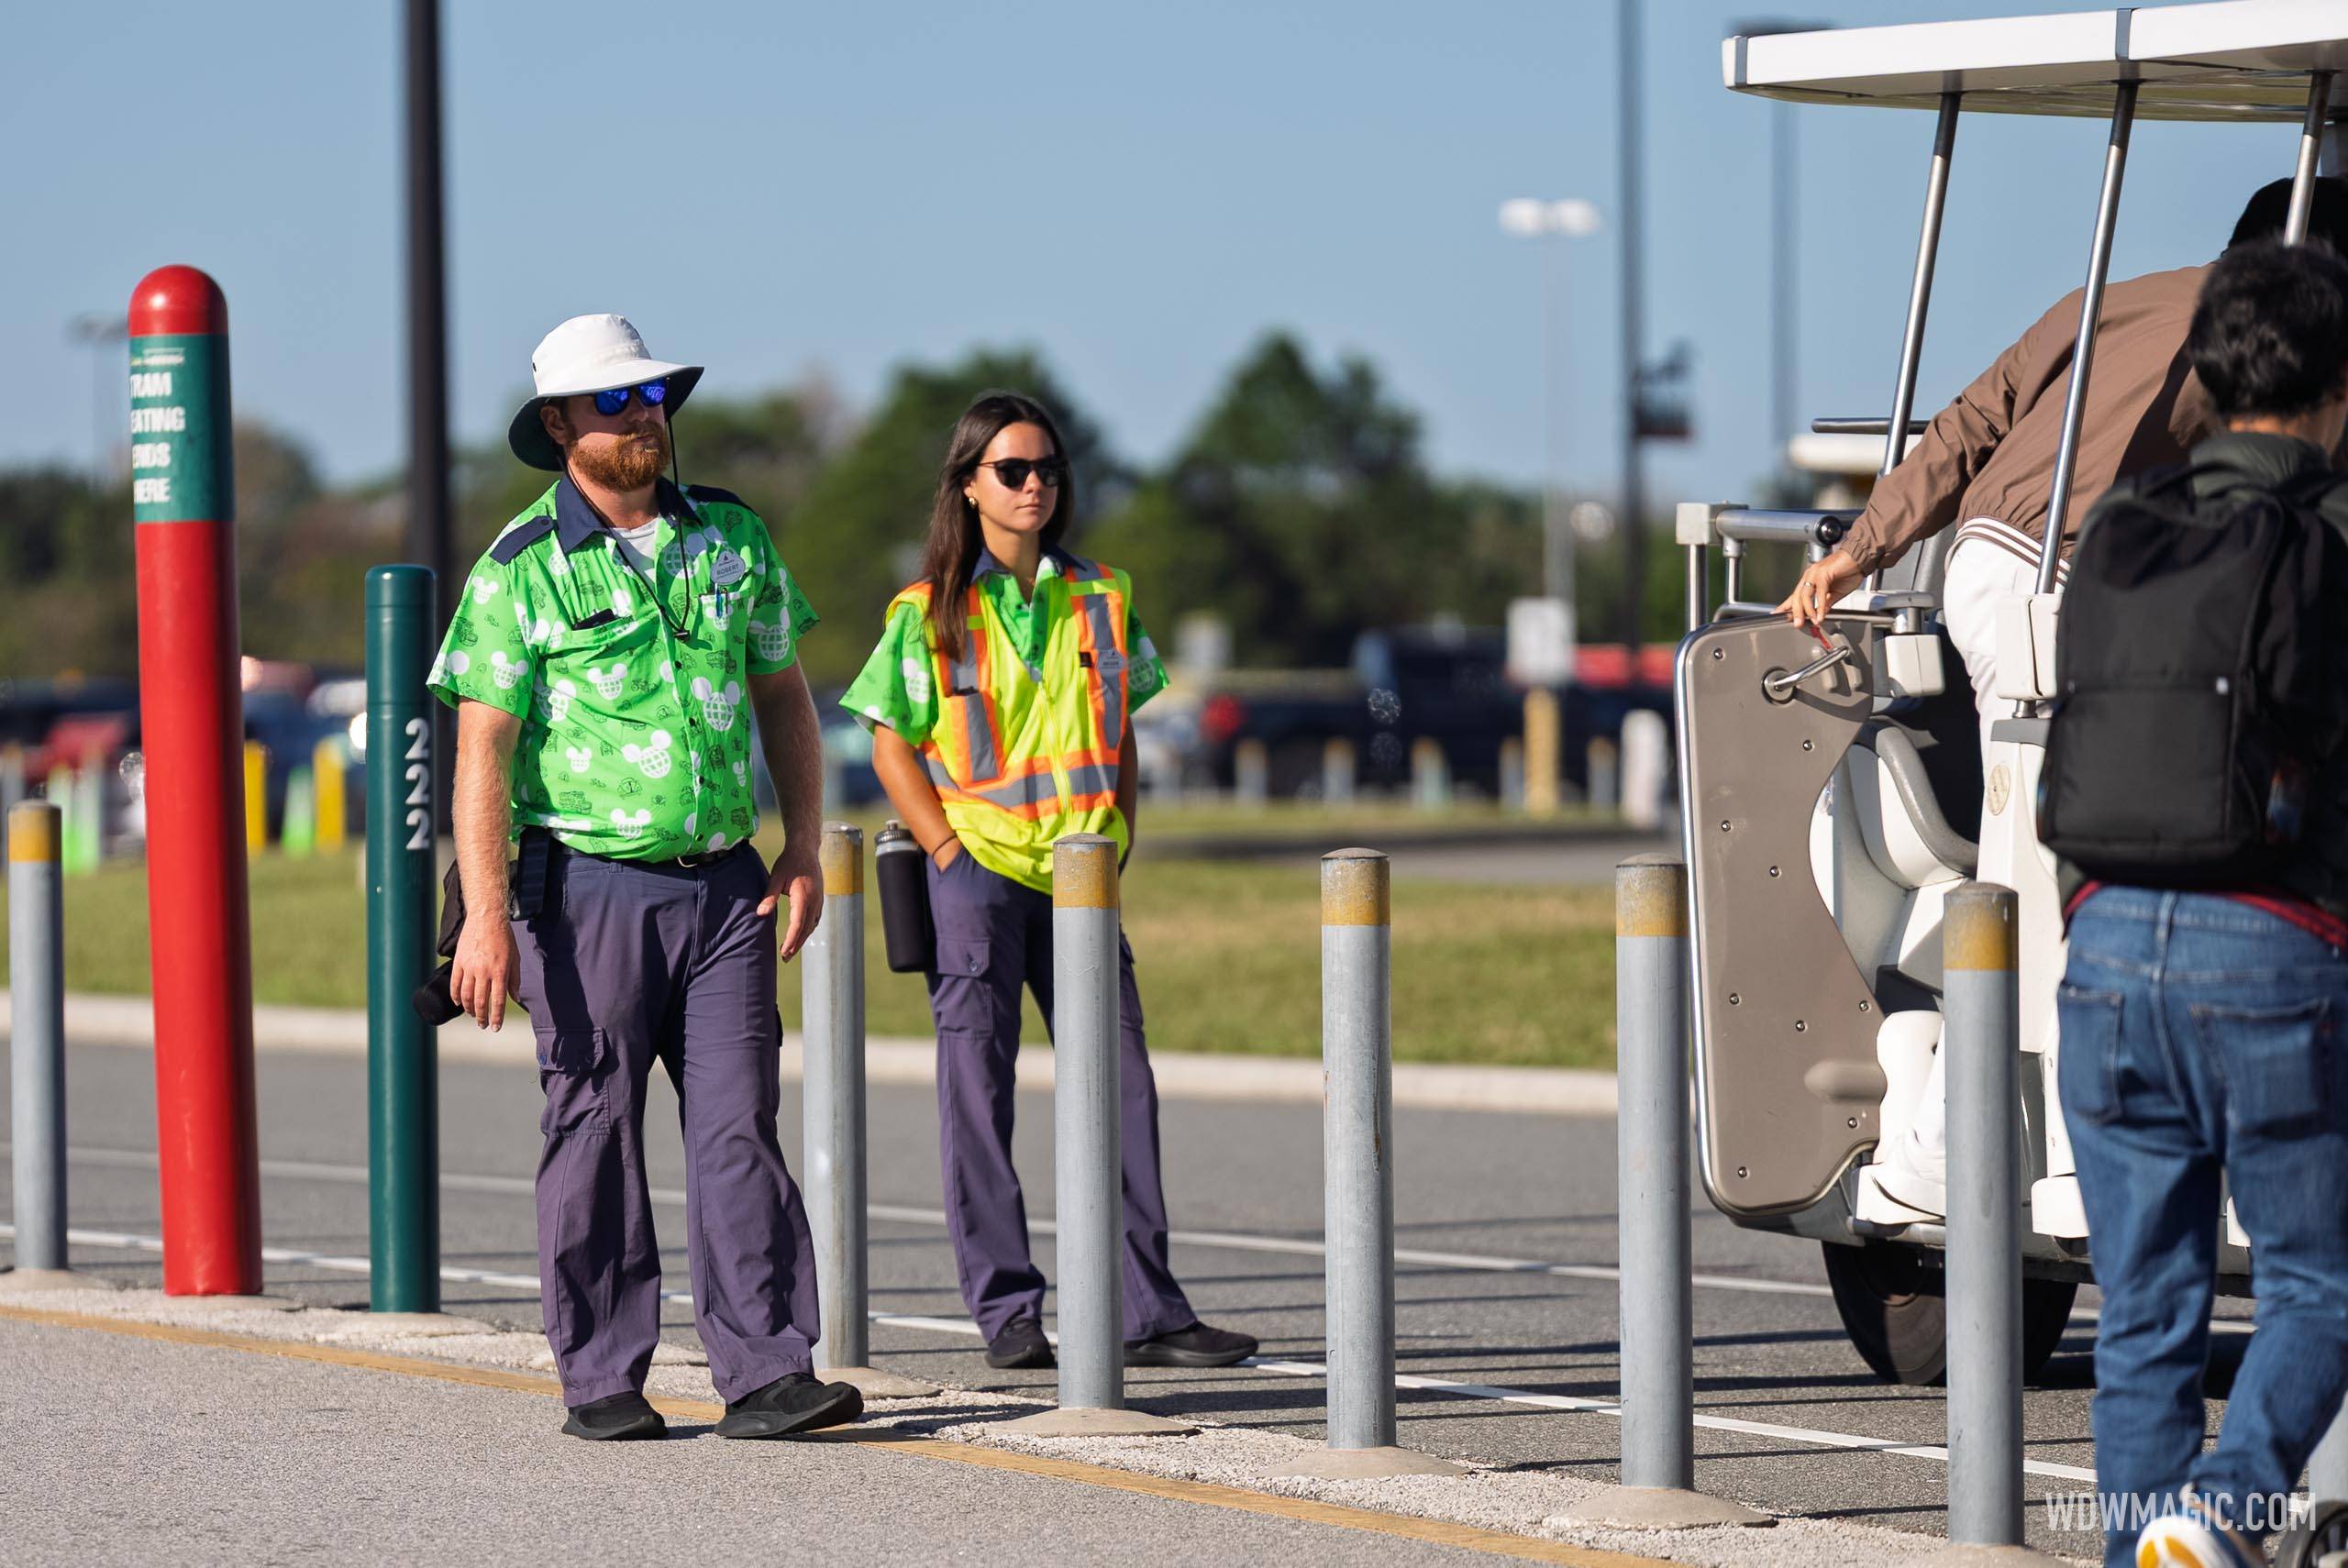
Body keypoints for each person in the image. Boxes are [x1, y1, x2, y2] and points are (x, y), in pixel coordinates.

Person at [1785, 177, 2348, 1223]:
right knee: (2064, 866)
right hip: (2064, 582)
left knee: (2041, 853)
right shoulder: (2274, 347)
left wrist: (1859, 550)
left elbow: (1965, 426)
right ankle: (1948, 1157)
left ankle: (1959, 1107)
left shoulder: (2107, 298)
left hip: (1982, 565)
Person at [434, 313, 860, 1441]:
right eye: (618, 403)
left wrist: (805, 844)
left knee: (737, 1127)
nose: (646, 418)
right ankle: (603, 1375)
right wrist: (485, 918)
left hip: (724, 885)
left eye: (656, 395)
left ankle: (766, 1371)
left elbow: (783, 695)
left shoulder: (731, 537)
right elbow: (482, 752)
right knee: (595, 1130)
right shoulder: (519, 569)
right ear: (563, 425)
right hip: (581, 890)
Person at [841, 392, 1257, 1373]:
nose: (1036, 487)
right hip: (976, 873)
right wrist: (945, 850)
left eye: (1048, 470)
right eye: (1013, 471)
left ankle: (1145, 1308)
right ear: (968, 485)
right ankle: (1008, 1312)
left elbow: (1122, 734)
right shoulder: (926, 610)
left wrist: (1121, 839)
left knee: (1122, 1088)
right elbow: (889, 742)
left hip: (1081, 879)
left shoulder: (1105, 595)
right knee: (978, 1102)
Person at [2055, 240, 2348, 1568]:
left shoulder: (2123, 527)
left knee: (2145, 1318)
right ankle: (2218, 1507)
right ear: (2339, 384)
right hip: (2273, 946)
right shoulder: (2332, 537)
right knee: (2319, 1281)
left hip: (2104, 943)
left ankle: (2151, 1553)